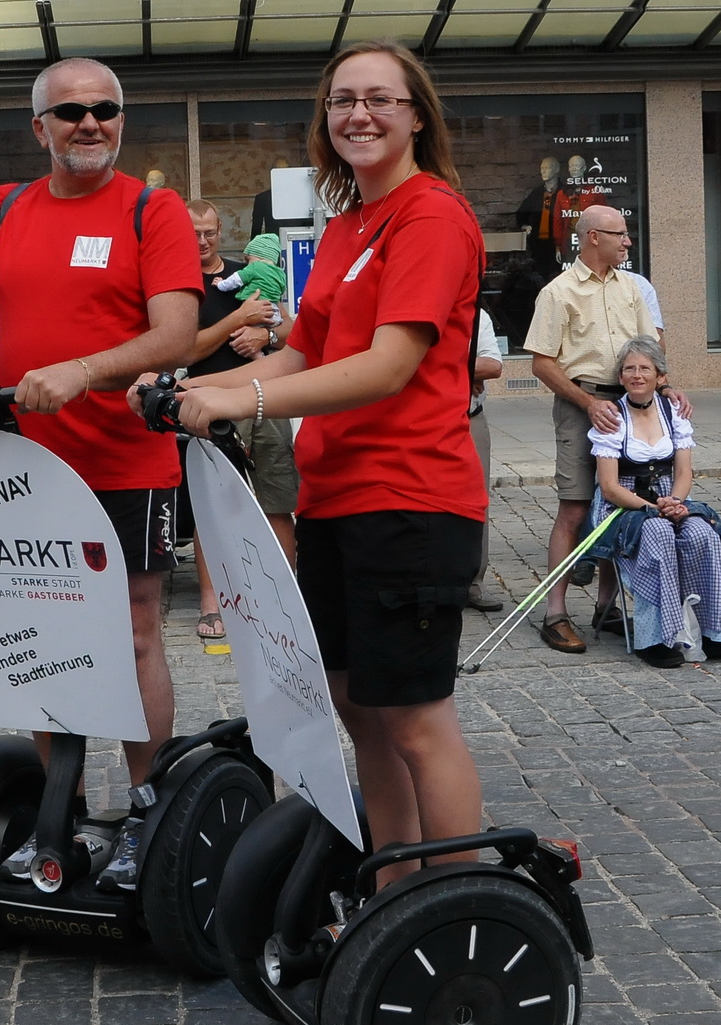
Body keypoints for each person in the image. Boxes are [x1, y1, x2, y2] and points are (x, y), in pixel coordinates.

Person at [0, 57, 200, 892]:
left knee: (130, 635)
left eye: (104, 110)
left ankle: (145, 808)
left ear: (120, 120)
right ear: (39, 128)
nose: (89, 124)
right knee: (49, 638)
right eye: (70, 113)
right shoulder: (3, 207)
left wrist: (84, 369)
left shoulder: (150, 210)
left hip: (128, 461)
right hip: (30, 467)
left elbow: (175, 335)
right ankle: (60, 814)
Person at [169, 40, 487, 884]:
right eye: (343, 100)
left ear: (416, 114)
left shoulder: (430, 215)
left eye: (380, 99)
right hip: (338, 498)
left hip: (411, 498)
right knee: (359, 709)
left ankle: (456, 903)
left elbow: (389, 364)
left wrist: (242, 402)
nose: (359, 114)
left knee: (416, 717)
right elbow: (304, 350)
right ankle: (392, 881)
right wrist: (190, 386)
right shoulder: (347, 225)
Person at [524, 204, 658, 654]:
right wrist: (587, 401)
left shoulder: (632, 288)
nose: (628, 241)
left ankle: (606, 606)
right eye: (621, 234)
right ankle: (555, 612)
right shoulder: (557, 292)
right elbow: (542, 362)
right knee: (576, 508)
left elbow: (648, 349)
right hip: (580, 405)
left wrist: (667, 387)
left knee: (617, 506)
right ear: (594, 237)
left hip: (628, 404)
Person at [183, 198, 293, 641]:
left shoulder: (243, 272)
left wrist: (263, 332)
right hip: (208, 401)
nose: (204, 241)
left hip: (265, 396)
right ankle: (213, 602)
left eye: (210, 232)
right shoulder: (179, 284)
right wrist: (238, 317)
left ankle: (284, 595)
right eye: (194, 233)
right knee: (215, 504)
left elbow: (289, 330)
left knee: (277, 493)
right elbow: (183, 349)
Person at [589, 337, 721, 668]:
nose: (636, 375)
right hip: (623, 504)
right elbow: (609, 486)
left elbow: (684, 472)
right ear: (621, 377)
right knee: (657, 534)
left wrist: (677, 502)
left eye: (644, 368)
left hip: (671, 495)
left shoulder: (674, 413)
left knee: (701, 533)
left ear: (660, 376)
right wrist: (650, 507)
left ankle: (709, 630)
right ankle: (653, 637)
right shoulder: (613, 417)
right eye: (629, 369)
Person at [468, 308, 504, 611]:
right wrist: (467, 371)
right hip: (425, 421)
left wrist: (457, 370)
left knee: (476, 500)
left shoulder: (477, 317)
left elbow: (492, 366)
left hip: (469, 418)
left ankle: (473, 583)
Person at [212, 233, 287, 305]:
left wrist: (221, 284)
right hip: (273, 309)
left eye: (248, 259)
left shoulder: (255, 266)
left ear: (258, 255)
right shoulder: (280, 273)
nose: (247, 264)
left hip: (255, 306)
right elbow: (282, 290)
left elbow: (236, 279)